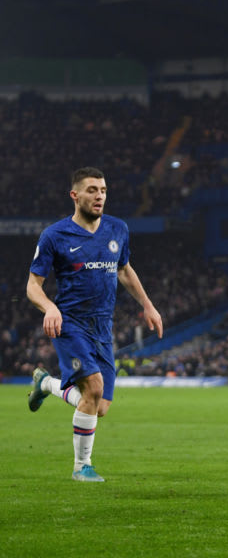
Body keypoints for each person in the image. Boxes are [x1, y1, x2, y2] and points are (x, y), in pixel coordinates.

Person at [26, 167, 163, 482]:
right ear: (75, 195)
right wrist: (49, 307)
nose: (99, 195)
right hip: (70, 324)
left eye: (102, 190)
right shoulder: (54, 235)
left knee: (98, 407)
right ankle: (81, 467)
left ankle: (46, 383)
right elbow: (33, 285)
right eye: (91, 190)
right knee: (95, 388)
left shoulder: (117, 229)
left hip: (102, 328)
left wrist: (148, 305)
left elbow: (125, 270)